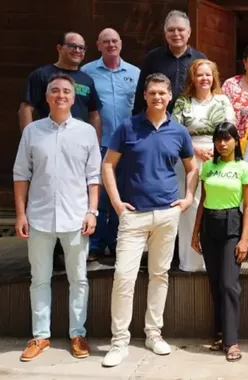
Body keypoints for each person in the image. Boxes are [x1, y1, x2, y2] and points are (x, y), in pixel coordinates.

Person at [101, 73, 199, 367]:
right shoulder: (128, 127)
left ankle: (153, 333)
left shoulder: (179, 131)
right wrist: (117, 203)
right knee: (123, 278)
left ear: (170, 97)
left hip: (167, 214)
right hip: (133, 216)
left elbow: (192, 167)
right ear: (145, 95)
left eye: (163, 93)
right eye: (153, 93)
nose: (158, 98)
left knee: (159, 275)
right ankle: (119, 341)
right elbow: (108, 165)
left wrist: (188, 197)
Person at [13, 73, 101, 361]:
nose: (61, 95)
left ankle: (78, 333)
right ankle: (40, 336)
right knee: (39, 279)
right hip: (38, 217)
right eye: (55, 91)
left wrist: (92, 210)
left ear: (74, 98)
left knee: (79, 278)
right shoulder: (32, 132)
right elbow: (21, 174)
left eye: (66, 91)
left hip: (76, 216)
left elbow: (94, 176)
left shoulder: (86, 131)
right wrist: (20, 214)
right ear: (47, 97)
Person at [191, 122, 248, 362]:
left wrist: (245, 238)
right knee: (216, 283)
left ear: (235, 141)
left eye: (227, 139)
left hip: (232, 225)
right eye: (219, 139)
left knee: (229, 284)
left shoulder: (245, 168)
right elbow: (203, 200)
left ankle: (232, 341)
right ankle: (220, 335)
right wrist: (195, 232)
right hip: (209, 224)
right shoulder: (208, 166)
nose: (222, 143)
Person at [81, 28, 140, 259]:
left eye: (114, 41)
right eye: (105, 41)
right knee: (99, 194)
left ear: (121, 44)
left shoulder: (135, 73)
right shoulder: (87, 73)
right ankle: (96, 244)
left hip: (128, 144)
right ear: (98, 45)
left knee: (124, 193)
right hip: (99, 143)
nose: (110, 45)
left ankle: (117, 241)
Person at [172, 59, 236, 272]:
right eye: (200, 74)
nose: (204, 78)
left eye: (208, 74)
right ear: (193, 77)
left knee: (214, 206)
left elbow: (230, 131)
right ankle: (190, 261)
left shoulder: (223, 101)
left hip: (218, 156)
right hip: (188, 158)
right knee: (190, 206)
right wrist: (193, 149)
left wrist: (217, 151)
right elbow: (174, 132)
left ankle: (213, 260)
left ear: (214, 77)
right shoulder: (183, 102)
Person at [133, 10, 206, 114]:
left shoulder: (200, 59)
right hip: (158, 122)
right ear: (165, 32)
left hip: (191, 122)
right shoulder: (152, 58)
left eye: (181, 29)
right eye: (171, 30)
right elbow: (141, 94)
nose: (176, 34)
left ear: (189, 32)